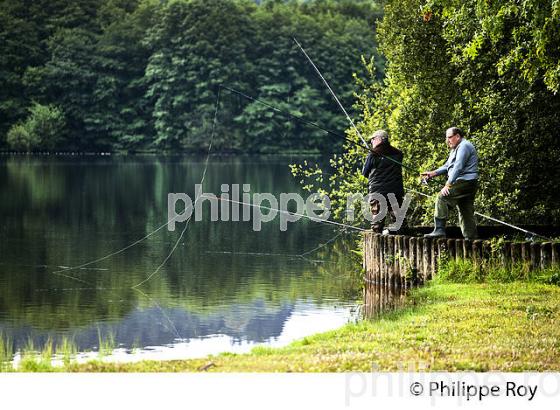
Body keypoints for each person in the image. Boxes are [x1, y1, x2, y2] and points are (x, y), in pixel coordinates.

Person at [421, 127, 478, 240]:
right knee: (465, 209)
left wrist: (448, 184)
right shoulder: (455, 149)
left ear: (457, 136)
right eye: (446, 138)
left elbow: (458, 167)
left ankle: (439, 230)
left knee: (442, 197)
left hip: (465, 181)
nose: (447, 140)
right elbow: (448, 166)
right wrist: (433, 173)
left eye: (449, 137)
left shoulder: (464, 146)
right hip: (467, 183)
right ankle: (471, 239)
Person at [362, 129, 405, 233]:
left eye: (372, 139)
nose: (371, 142)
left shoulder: (373, 154)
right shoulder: (398, 154)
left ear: (379, 139)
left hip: (378, 192)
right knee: (399, 222)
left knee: (377, 225)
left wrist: (371, 154)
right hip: (395, 191)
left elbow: (364, 172)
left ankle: (379, 241)